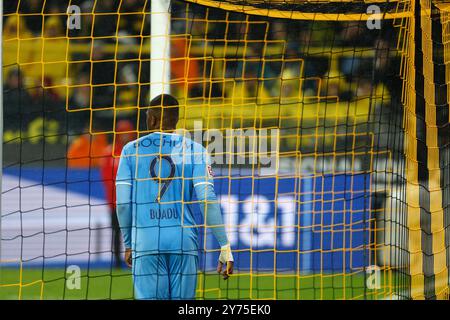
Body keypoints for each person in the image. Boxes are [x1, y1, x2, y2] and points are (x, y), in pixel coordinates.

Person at [115, 94, 234, 300]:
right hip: (183, 242)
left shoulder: (130, 151)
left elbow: (123, 204)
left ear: (151, 119)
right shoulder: (196, 150)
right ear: (176, 119)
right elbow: (206, 198)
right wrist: (224, 244)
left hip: (146, 242)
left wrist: (128, 243)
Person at [99, 120, 136, 268]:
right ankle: (116, 262)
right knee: (117, 232)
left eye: (128, 132)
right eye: (123, 132)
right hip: (116, 202)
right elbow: (106, 177)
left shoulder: (136, 150)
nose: (125, 135)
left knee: (135, 232)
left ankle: (135, 261)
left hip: (134, 201)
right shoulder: (110, 152)